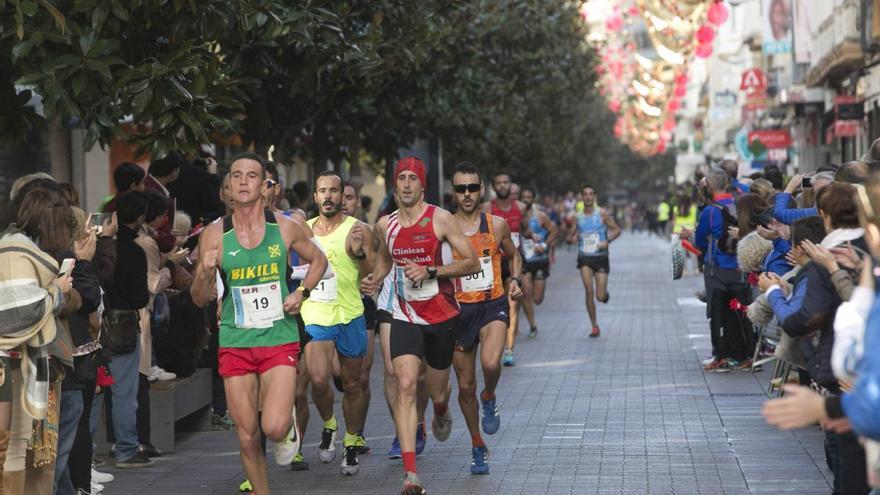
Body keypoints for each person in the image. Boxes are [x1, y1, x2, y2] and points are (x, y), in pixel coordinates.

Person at [190, 152, 328, 495]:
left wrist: (303, 294)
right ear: (227, 187)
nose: (242, 182)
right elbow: (196, 297)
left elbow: (319, 260)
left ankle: (287, 429)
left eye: (251, 176)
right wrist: (205, 272)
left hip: (278, 336)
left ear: (265, 185)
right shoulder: (214, 235)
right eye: (236, 176)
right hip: (236, 340)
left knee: (273, 424)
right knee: (247, 433)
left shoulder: (283, 227)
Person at [360, 157, 479, 495]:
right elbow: (385, 260)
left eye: (413, 178)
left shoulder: (440, 219)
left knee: (438, 390)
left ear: (422, 185)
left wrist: (431, 272)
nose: (408, 183)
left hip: (441, 315)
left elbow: (470, 262)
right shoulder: (386, 224)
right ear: (395, 185)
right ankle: (411, 475)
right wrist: (375, 278)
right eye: (402, 178)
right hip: (403, 313)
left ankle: (441, 410)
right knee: (406, 383)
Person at [449, 162, 523, 475]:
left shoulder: (497, 225)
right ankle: (478, 444)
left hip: (492, 304)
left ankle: (489, 395)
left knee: (491, 364)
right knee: (464, 388)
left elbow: (514, 255)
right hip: (457, 311)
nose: (467, 194)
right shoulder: (444, 227)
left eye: (473, 188)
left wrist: (515, 280)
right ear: (454, 192)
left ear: (482, 190)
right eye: (461, 188)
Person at [300, 171, 373, 475]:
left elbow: (370, 270)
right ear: (315, 196)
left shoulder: (359, 229)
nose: (328, 196)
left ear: (343, 195)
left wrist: (360, 254)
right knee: (318, 380)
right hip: (315, 313)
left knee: (353, 384)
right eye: (322, 191)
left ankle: (352, 441)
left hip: (350, 313)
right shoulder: (301, 231)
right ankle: (329, 424)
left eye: (333, 191)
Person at [688, 169, 755, 372]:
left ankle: (720, 356)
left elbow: (700, 241)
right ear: (726, 183)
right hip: (739, 268)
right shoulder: (739, 204)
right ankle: (746, 355)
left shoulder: (710, 211)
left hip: (716, 270)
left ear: (708, 186)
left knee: (717, 314)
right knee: (740, 311)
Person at [340, 183, 379, 455]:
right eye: (339, 196)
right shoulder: (315, 228)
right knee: (333, 376)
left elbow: (375, 270)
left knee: (362, 377)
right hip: (329, 310)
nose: (342, 201)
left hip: (363, 308)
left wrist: (360, 252)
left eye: (349, 197)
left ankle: (357, 433)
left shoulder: (366, 231)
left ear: (357, 203)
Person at [569, 184, 621, 337]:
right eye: (585, 194)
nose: (588, 197)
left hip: (601, 257)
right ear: (581, 197)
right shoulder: (577, 216)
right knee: (588, 290)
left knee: (599, 295)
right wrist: (572, 238)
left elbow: (617, 229)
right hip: (584, 257)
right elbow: (569, 236)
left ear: (595, 196)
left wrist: (607, 241)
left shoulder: (602, 214)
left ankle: (604, 296)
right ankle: (594, 325)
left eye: (591, 194)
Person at [486, 173, 526, 366]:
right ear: (494, 186)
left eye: (506, 182)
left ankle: (509, 349)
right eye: (499, 183)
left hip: (513, 261)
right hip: (493, 265)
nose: (502, 186)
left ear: (511, 185)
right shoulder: (486, 208)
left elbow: (524, 230)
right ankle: (494, 343)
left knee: (512, 306)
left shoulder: (521, 208)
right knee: (494, 306)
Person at [518, 187, 558, 338]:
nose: (526, 200)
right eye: (524, 197)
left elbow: (555, 232)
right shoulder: (517, 217)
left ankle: (532, 321)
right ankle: (532, 325)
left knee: (537, 299)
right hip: (524, 261)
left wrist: (545, 245)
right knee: (525, 293)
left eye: (529, 197)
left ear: (533, 199)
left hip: (540, 260)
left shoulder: (541, 216)